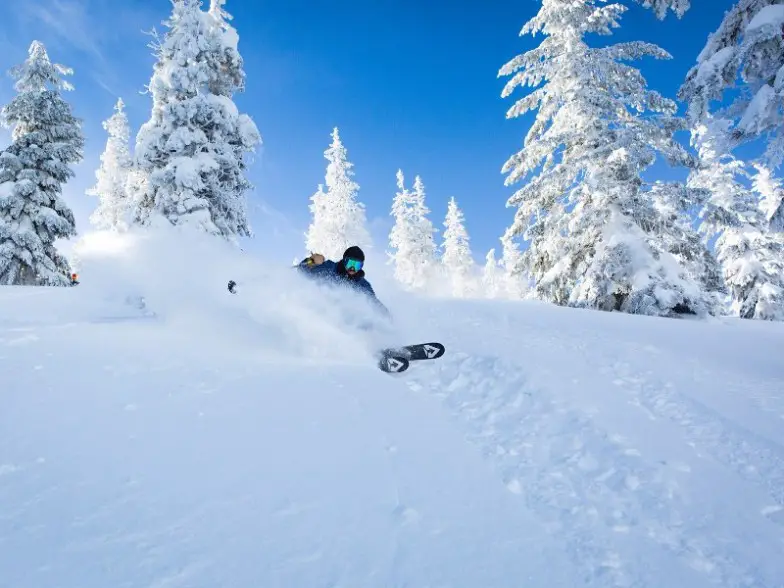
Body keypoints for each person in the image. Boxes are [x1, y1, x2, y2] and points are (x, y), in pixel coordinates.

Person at [296, 246, 390, 317]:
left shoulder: (363, 285)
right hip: (323, 314)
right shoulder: (329, 268)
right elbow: (302, 269)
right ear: (344, 261)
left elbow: (375, 303)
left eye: (357, 265)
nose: (352, 268)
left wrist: (387, 319)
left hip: (347, 321)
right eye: (350, 263)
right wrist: (311, 260)